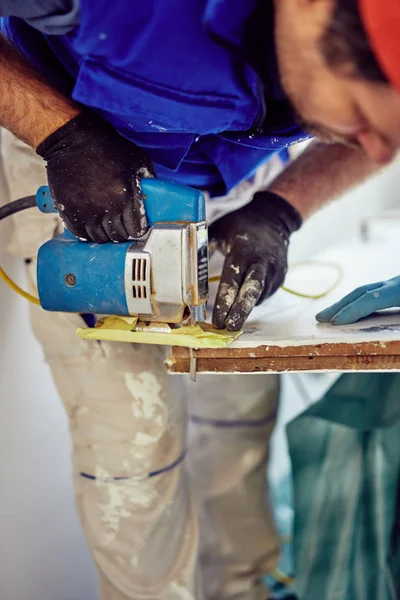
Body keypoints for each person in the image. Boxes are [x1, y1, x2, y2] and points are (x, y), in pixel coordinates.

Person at [0, 1, 399, 599]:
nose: (377, 151)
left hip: (239, 175)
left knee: (235, 417)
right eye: (364, 117)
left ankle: (242, 589)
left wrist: (279, 211)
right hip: (84, 172)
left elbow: (374, 135)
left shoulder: (348, 59)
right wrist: (60, 134)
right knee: (135, 449)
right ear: (314, 15)